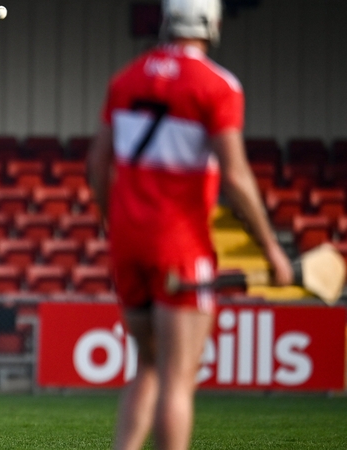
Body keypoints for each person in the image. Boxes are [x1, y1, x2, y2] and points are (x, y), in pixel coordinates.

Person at [86, 0, 293, 449]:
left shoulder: (126, 78)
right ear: (212, 23)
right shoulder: (218, 86)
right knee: (179, 379)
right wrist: (272, 248)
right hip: (180, 242)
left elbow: (98, 164)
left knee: (148, 367)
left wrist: (110, 220)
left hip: (129, 241)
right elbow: (235, 176)